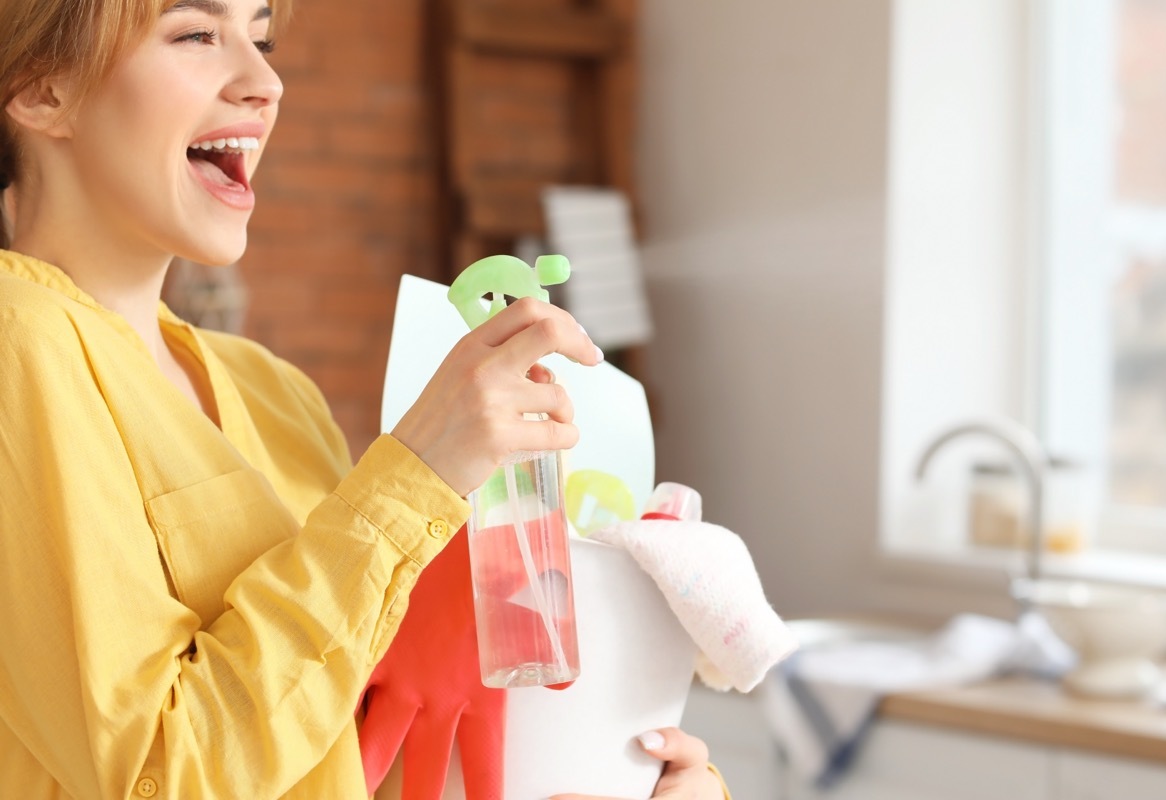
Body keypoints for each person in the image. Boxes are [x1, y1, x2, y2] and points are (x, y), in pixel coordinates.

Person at [0, 0, 731, 798]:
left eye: (263, 37)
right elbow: (154, 774)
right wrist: (417, 472)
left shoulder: (275, 393)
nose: (265, 82)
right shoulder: (18, 345)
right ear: (42, 90)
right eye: (197, 34)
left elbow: (345, 766)